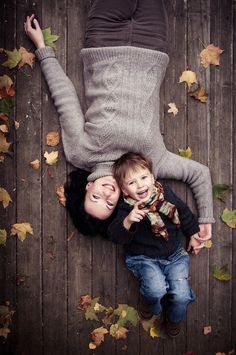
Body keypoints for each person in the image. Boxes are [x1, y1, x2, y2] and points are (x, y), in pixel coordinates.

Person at [24, 0, 214, 241]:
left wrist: (41, 47)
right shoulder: (150, 167)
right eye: (109, 204)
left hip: (104, 41)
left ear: (87, 188)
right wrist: (205, 218)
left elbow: (65, 98)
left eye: (95, 197)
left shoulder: (81, 154)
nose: (106, 194)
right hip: (152, 44)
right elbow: (199, 173)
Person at [107, 152, 201, 337]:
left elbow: (182, 212)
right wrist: (127, 221)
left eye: (143, 177)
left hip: (174, 255)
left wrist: (193, 233)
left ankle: (173, 319)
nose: (140, 184)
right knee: (156, 289)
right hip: (143, 258)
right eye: (132, 182)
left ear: (152, 177)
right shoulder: (126, 207)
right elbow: (115, 236)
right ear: (125, 190)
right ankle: (151, 301)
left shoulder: (164, 193)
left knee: (181, 295)